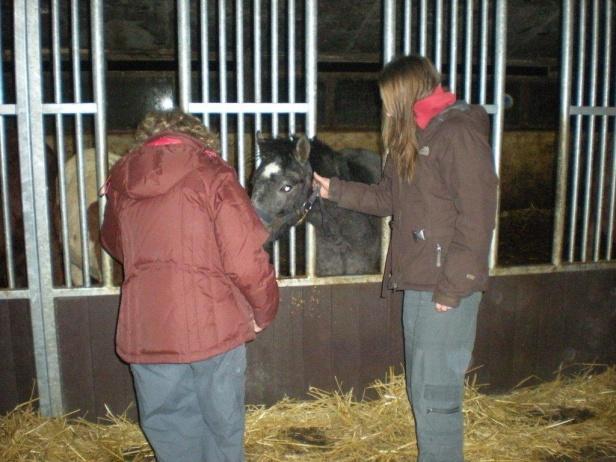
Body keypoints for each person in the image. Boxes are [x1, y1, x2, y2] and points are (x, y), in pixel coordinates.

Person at [313, 55, 498, 462]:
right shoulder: (414, 135)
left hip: (445, 285)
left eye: (388, 98)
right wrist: (335, 190)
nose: (386, 107)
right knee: (422, 388)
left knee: (436, 396)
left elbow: (478, 217)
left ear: (405, 90)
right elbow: (386, 198)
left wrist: (453, 288)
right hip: (417, 280)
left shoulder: (457, 134)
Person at [100, 110, 279, 462]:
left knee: (171, 435)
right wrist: (264, 309)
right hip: (214, 331)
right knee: (221, 431)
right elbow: (245, 257)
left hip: (148, 332)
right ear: (198, 138)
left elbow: (114, 244)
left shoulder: (121, 181)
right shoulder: (213, 174)